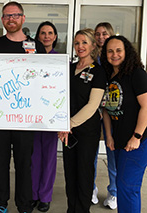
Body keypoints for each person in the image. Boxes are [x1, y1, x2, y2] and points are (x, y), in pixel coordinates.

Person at [0, 2, 46, 213]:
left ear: (23, 18)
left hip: (25, 118)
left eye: (15, 15)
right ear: (2, 20)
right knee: (0, 164)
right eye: (7, 16)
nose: (11, 19)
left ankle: (24, 205)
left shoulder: (36, 47)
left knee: (23, 164)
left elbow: (44, 82)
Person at [58, 28, 106, 213]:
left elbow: (92, 106)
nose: (80, 46)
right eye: (77, 43)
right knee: (70, 173)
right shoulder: (68, 68)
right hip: (67, 132)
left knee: (84, 174)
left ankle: (82, 210)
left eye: (84, 42)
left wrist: (67, 124)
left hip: (86, 132)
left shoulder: (99, 72)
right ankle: (72, 209)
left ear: (93, 45)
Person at [100, 35, 147, 213]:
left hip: (137, 142)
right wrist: (109, 136)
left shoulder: (136, 73)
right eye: (110, 51)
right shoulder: (109, 75)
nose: (114, 54)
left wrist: (137, 136)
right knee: (122, 185)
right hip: (118, 140)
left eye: (118, 50)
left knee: (128, 187)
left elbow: (146, 106)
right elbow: (105, 108)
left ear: (127, 51)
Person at [31, 21, 58, 212]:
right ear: (37, 36)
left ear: (55, 37)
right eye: (43, 33)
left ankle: (45, 196)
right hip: (31, 114)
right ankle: (32, 194)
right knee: (33, 157)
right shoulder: (30, 57)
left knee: (49, 157)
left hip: (51, 116)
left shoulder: (61, 60)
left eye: (50, 33)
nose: (46, 36)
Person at [91, 22, 117, 210]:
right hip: (93, 112)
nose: (101, 37)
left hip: (113, 113)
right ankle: (90, 188)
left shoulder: (116, 58)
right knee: (90, 152)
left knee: (113, 152)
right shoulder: (90, 56)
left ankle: (114, 192)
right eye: (98, 34)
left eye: (105, 34)